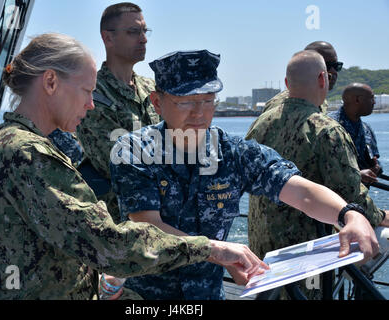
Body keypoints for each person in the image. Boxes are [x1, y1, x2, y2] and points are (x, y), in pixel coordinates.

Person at [0, 33, 270, 300]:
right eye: (87, 91)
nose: (91, 104)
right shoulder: (26, 155)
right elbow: (110, 244)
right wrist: (212, 249)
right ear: (50, 81)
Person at [110, 49, 380, 300]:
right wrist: (218, 252)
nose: (199, 113)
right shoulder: (134, 151)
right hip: (145, 298)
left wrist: (349, 214)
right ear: (157, 103)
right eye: (186, 103)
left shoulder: (233, 152)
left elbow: (300, 192)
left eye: (207, 101)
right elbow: (148, 227)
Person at [246, 50, 388, 298]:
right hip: (305, 257)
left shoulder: (261, 123)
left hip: (262, 252)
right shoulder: (326, 130)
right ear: (323, 79)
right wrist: (383, 215)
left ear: (287, 84)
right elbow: (354, 200)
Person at [76, 2, 160, 224]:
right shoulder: (92, 95)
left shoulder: (152, 89)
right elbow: (120, 164)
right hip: (117, 229)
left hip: (159, 223)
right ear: (108, 38)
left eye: (144, 31)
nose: (143, 39)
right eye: (133, 32)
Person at [263, 41, 342, 114]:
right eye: (326, 66)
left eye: (336, 66)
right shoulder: (280, 105)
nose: (333, 71)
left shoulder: (321, 101)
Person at [329, 83, 382, 185]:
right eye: (371, 98)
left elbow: (373, 159)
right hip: (334, 195)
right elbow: (323, 166)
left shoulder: (366, 129)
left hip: (359, 195)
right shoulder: (330, 126)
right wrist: (357, 175)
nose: (374, 102)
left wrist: (376, 168)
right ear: (358, 100)